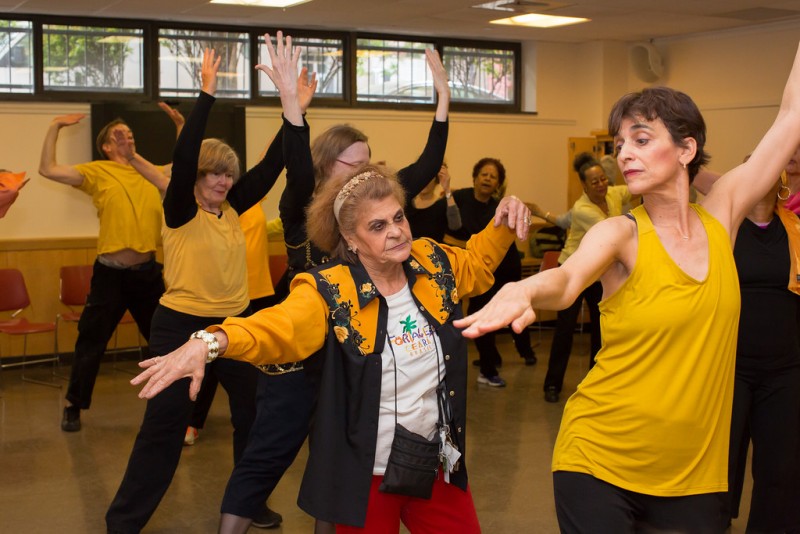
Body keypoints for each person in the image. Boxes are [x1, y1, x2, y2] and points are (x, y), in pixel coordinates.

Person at [456, 42, 800, 532]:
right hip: (600, 461)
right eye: (620, 145)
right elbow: (568, 280)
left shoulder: (723, 215)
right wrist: (525, 292)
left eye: (640, 139)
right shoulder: (621, 233)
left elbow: (791, 117)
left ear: (687, 149)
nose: (624, 155)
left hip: (694, 479)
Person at [130, 163, 532, 532]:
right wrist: (210, 340)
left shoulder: (432, 262)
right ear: (350, 239)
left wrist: (504, 219)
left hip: (435, 462)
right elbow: (277, 327)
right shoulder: (329, 289)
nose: (395, 231)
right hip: (365, 475)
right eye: (377, 226)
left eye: (398, 217)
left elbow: (477, 265)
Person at [216, 45, 451, 534]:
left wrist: (443, 99)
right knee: (269, 450)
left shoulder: (373, 201)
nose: (366, 172)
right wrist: (290, 105)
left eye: (369, 162)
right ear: (328, 165)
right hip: (300, 350)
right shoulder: (303, 198)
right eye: (353, 164)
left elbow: (426, 165)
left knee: (342, 455)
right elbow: (298, 164)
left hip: (350, 355)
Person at [104, 38, 304, 534]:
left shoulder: (234, 205)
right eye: (213, 173)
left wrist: (293, 106)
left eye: (228, 174)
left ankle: (248, 501)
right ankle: (123, 523)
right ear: (195, 176)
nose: (222, 180)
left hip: (234, 327)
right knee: (164, 429)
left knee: (257, 417)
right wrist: (207, 95)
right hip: (180, 325)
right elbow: (187, 147)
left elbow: (275, 164)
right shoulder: (180, 209)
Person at [39, 109, 170, 433]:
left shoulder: (148, 171)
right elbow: (47, 169)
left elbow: (184, 164)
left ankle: (173, 407)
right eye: (118, 135)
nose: (126, 138)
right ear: (107, 147)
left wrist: (181, 125)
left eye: (130, 134)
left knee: (165, 339)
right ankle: (73, 405)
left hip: (147, 274)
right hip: (110, 274)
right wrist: (55, 126)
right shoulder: (97, 171)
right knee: (90, 342)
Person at [725, 170, 800, 532]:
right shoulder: (724, 230)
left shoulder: (795, 231)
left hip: (785, 368)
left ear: (779, 182)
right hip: (730, 367)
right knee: (721, 461)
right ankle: (714, 521)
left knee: (780, 466)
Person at [540, 152, 633, 403]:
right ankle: (552, 385)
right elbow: (614, 229)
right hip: (571, 271)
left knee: (601, 329)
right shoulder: (583, 209)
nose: (601, 185)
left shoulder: (613, 194)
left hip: (598, 272)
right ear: (584, 186)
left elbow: (632, 190)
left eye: (603, 179)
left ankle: (597, 383)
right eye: (595, 182)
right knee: (565, 329)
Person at [449, 157, 537, 387]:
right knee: (484, 315)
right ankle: (488, 366)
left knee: (514, 312)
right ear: (475, 178)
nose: (487, 179)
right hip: (480, 269)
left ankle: (524, 352)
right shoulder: (460, 198)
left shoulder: (499, 205)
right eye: (484, 174)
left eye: (493, 176)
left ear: (498, 184)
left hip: (506, 268)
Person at [405, 162, 461, 242]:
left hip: (432, 252)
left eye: (428, 177)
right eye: (421, 176)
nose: (424, 181)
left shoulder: (442, 204)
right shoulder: (407, 202)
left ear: (437, 180)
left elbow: (455, 225)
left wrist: (447, 189)